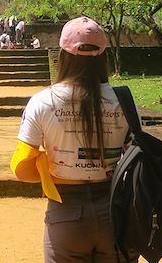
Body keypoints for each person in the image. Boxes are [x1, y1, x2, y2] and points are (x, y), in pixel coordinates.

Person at [10, 17, 135, 262]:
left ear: (63, 56)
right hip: (116, 211)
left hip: (66, 210)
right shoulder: (125, 102)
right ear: (103, 56)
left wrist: (51, 167)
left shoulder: (43, 101)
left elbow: (22, 170)